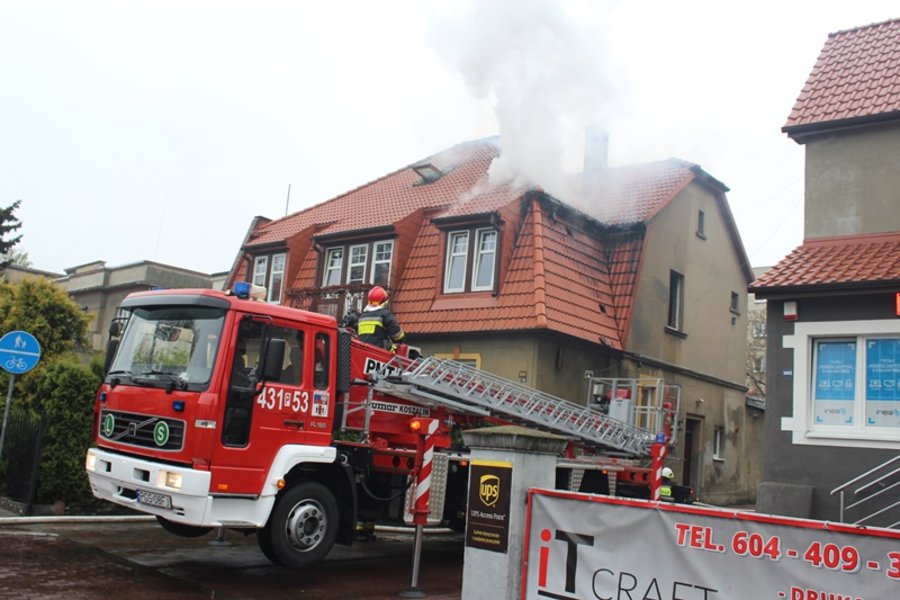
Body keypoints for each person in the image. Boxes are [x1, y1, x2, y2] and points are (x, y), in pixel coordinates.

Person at [356, 286, 405, 350]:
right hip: (379, 350)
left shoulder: (362, 316)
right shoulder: (384, 314)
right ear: (383, 301)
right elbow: (397, 334)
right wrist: (401, 339)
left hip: (362, 350)